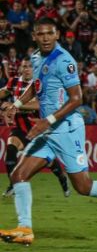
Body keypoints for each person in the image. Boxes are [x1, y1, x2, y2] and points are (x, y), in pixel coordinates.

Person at [0, 18, 97, 245]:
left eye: (49, 33)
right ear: (34, 36)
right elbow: (36, 86)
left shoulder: (64, 60)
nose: (45, 38)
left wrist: (47, 120)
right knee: (19, 175)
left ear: (57, 34)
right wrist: (17, 105)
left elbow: (77, 99)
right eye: (40, 33)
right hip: (49, 129)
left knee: (84, 186)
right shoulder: (35, 58)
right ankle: (25, 229)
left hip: (66, 129)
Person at [0, 57, 69, 197]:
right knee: (10, 153)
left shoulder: (40, 84)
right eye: (24, 66)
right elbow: (2, 93)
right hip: (19, 129)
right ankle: (13, 185)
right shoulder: (13, 82)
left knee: (50, 164)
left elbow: (38, 104)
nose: (26, 69)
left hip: (37, 129)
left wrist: (14, 106)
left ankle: (62, 178)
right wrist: (3, 107)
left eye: (29, 66)